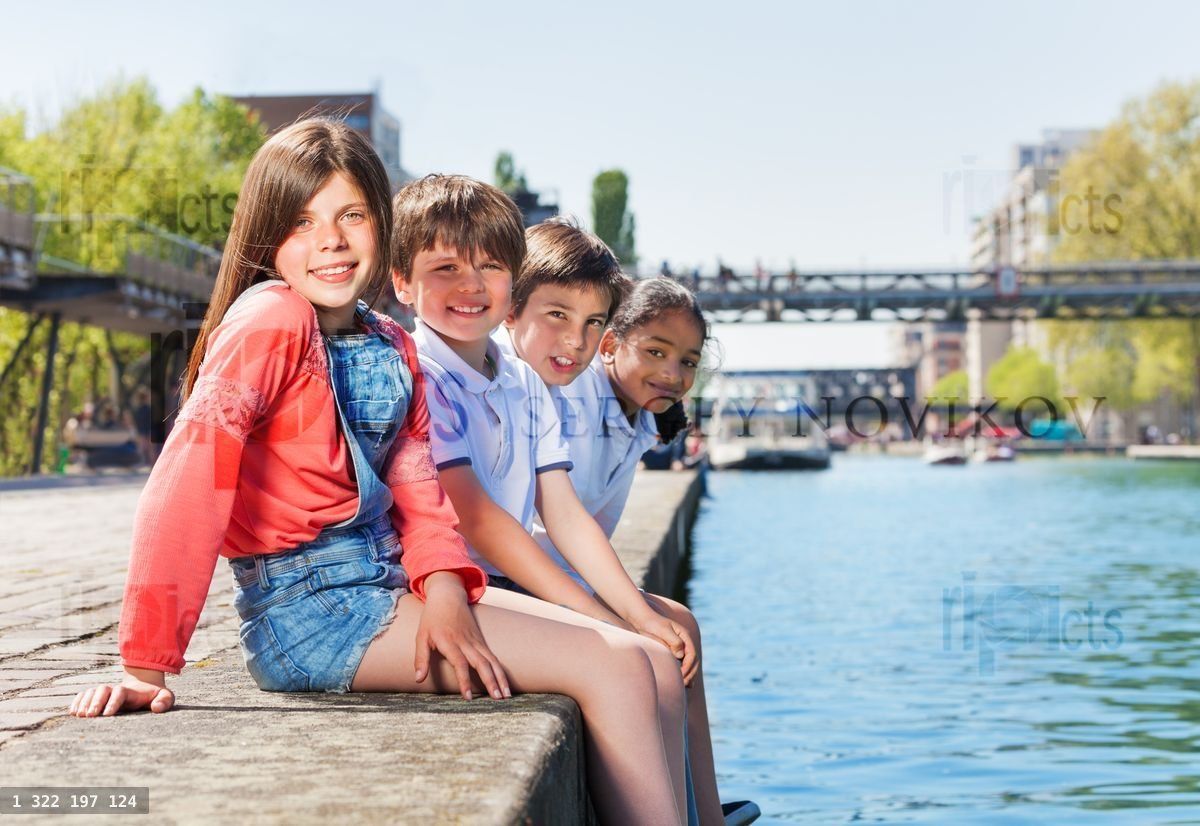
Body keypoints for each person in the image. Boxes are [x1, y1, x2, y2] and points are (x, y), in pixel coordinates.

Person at [69, 121, 687, 826]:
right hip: (310, 617)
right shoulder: (271, 320)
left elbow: (422, 495)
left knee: (644, 660)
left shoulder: (390, 342)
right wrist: (145, 666)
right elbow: (184, 486)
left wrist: (449, 592)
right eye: (301, 220)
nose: (330, 239)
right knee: (609, 669)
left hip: (390, 589)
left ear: (379, 225)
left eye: (351, 215)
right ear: (266, 234)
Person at [392, 175, 703, 823]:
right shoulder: (422, 370)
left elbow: (566, 517)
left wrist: (634, 616)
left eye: (592, 324)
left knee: (659, 645)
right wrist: (601, 616)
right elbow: (482, 521)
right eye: (557, 316)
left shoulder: (526, 388)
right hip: (442, 588)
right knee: (628, 658)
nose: (576, 342)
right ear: (513, 309)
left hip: (495, 583)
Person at [501, 250, 744, 824]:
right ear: (610, 347)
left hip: (556, 579)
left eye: (686, 362)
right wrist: (620, 611)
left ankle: (703, 809)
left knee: (682, 625)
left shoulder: (636, 421)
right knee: (658, 645)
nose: (671, 373)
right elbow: (547, 525)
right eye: (654, 352)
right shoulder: (574, 401)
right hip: (526, 579)